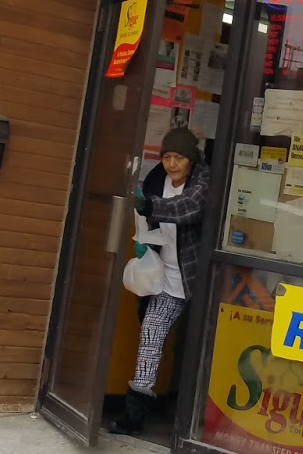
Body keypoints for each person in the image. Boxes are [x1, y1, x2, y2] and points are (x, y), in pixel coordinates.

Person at [110, 126, 210, 436]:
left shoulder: (203, 181)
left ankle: (199, 420)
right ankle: (134, 415)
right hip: (165, 278)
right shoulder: (155, 179)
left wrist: (151, 206)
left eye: (179, 157)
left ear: (191, 159)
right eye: (167, 157)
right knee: (151, 338)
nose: (172, 164)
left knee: (201, 348)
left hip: (198, 280)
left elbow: (188, 208)